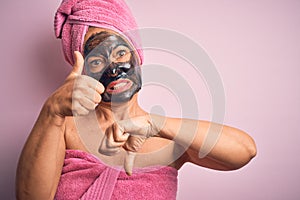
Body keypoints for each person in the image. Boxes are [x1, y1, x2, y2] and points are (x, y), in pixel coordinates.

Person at [16, 0, 257, 199]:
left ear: (137, 55)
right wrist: (51, 112)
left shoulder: (170, 137)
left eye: (120, 53)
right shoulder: (63, 127)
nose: (113, 69)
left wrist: (155, 125)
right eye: (97, 61)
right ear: (82, 71)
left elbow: (245, 151)